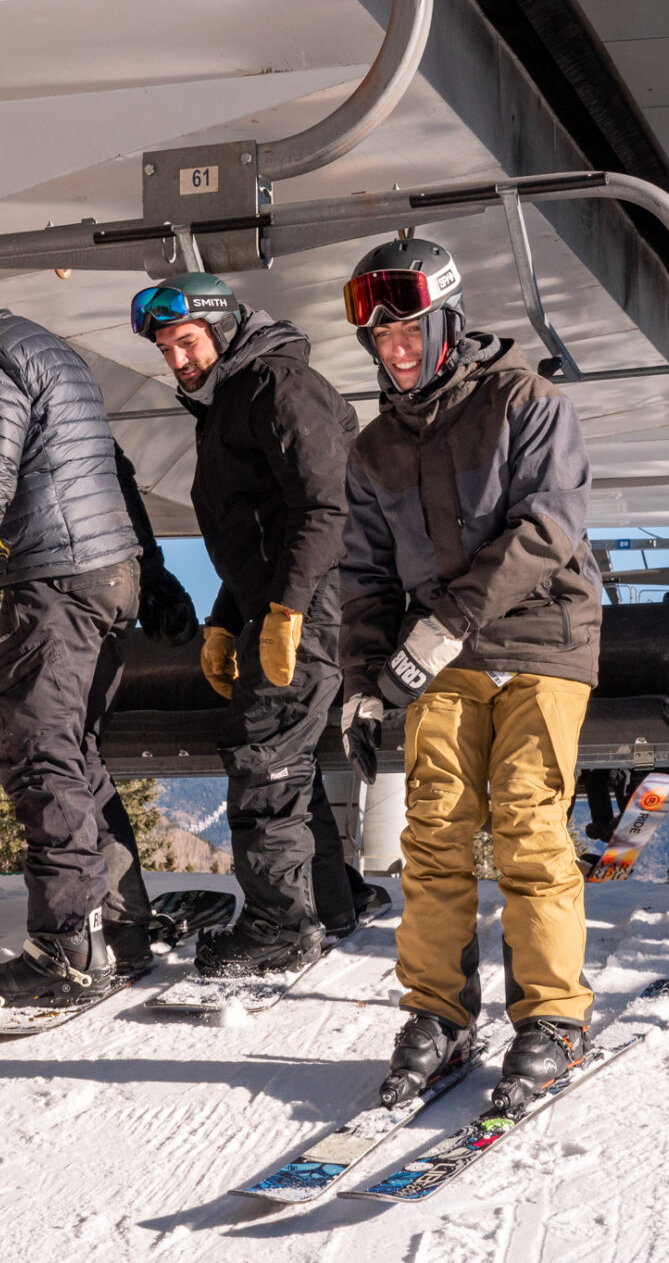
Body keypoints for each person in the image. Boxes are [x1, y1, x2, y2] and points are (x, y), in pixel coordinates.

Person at [0, 232, 197, 1009]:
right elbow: (109, 468)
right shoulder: (45, 349)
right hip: (103, 572)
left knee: (38, 757)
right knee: (75, 756)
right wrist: (150, 574)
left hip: (54, 578)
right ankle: (120, 932)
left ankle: (63, 951)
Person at [334, 237, 603, 1112]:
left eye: (410, 332)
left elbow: (547, 528)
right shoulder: (374, 448)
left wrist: (444, 625)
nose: (396, 351)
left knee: (525, 818)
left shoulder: (526, 401)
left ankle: (554, 1016)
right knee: (436, 827)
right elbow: (366, 575)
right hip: (437, 652)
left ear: (448, 320)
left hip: (542, 636)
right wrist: (365, 677)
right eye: (382, 341)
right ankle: (440, 1013)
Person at [128, 272, 384, 976]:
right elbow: (258, 535)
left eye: (186, 342)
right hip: (284, 604)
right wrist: (223, 618)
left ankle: (279, 926)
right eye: (165, 349)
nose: (176, 360)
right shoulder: (230, 401)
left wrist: (289, 608)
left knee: (262, 752)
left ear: (224, 327)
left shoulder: (277, 385)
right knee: (283, 759)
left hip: (317, 607)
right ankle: (330, 904)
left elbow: (325, 508)